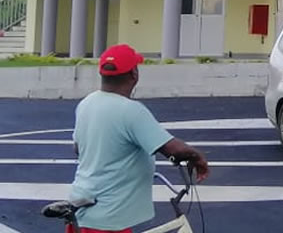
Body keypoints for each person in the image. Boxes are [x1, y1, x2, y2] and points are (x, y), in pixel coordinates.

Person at [67, 44, 210, 233]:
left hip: (82, 208)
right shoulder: (131, 111)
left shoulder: (87, 103)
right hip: (109, 216)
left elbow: (78, 148)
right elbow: (173, 149)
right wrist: (197, 157)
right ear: (134, 74)